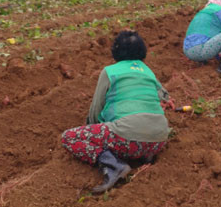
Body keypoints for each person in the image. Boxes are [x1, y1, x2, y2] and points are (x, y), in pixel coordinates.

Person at [61, 31, 169, 193]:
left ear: (116, 51)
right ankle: (143, 155)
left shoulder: (110, 71)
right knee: (133, 135)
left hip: (127, 138)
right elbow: (165, 96)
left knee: (68, 137)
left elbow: (96, 107)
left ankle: (114, 165)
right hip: (158, 140)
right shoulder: (147, 70)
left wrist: (91, 129)